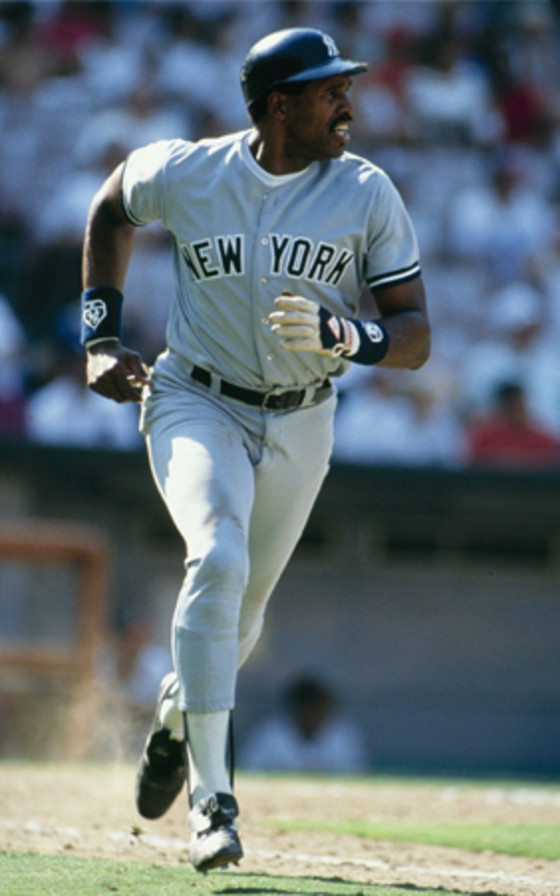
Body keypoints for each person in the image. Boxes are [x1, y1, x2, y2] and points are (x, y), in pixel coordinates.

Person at [81, 27, 430, 873]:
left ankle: (174, 718)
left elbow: (417, 336)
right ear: (279, 104)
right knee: (218, 557)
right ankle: (214, 804)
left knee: (239, 620)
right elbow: (109, 208)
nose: (347, 103)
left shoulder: (366, 190)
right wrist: (99, 336)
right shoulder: (190, 169)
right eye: (328, 90)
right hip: (193, 397)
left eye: (346, 87)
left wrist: (352, 333)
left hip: (303, 419)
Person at [241, 674, 367, 774]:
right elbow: (249, 771)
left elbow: (355, 775)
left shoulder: (343, 736)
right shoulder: (269, 736)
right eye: (312, 707)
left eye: (322, 707)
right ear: (298, 707)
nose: (318, 713)